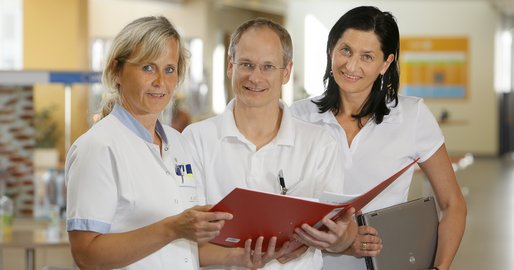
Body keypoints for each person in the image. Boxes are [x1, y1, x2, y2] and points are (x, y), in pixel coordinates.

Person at [65, 16, 285, 270]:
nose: (161, 81)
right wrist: (171, 228)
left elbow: (185, 250)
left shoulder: (179, 144)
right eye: (148, 67)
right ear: (116, 71)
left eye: (169, 69)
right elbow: (86, 255)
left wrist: (238, 258)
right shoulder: (97, 148)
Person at [290, 6, 467, 270]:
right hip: (307, 264)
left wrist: (439, 268)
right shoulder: (297, 116)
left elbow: (453, 205)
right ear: (331, 50)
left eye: (367, 57)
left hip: (387, 263)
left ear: (385, 63)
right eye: (345, 50)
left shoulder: (412, 115)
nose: (351, 66)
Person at [182, 18, 358, 270]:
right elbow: (182, 241)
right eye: (246, 64)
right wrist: (238, 257)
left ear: (286, 72)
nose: (255, 77)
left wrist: (340, 237)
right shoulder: (195, 140)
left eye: (267, 66)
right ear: (230, 66)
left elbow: (338, 238)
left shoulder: (319, 144)